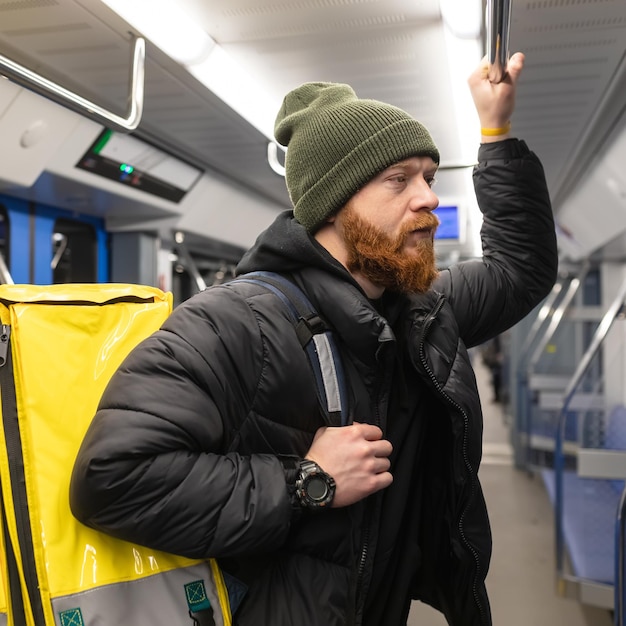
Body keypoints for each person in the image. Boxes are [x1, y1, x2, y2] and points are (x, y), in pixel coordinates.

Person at [70, 52, 557, 626]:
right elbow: (112, 479)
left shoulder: (424, 312)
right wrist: (307, 481)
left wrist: (495, 133)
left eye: (427, 175)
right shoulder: (234, 323)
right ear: (334, 206)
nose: (428, 197)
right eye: (397, 179)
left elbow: (520, 269)